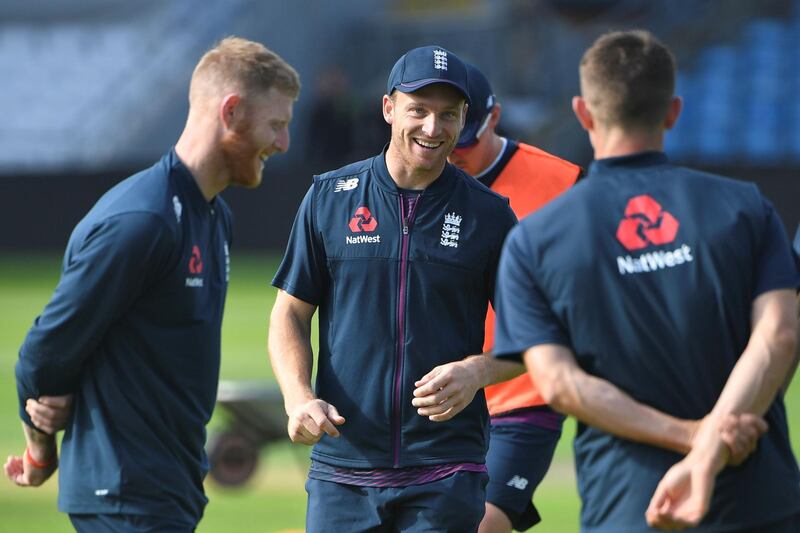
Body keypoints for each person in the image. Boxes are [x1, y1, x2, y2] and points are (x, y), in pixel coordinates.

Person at [490, 30, 799, 532]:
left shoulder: (534, 239)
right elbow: (781, 335)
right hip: (757, 503)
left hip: (629, 508)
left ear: (583, 113)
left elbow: (559, 384)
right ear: (673, 111)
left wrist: (692, 437)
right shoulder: (746, 207)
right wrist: (711, 444)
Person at [5, 37, 300, 532]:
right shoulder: (143, 220)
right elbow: (43, 353)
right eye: (276, 124)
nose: (284, 143)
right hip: (124, 493)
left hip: (169, 488)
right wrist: (38, 451)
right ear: (231, 112)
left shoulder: (213, 215)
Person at [268, 45, 517, 532]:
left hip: (445, 471)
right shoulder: (328, 198)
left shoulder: (490, 215)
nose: (432, 128)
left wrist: (477, 372)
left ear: (465, 118)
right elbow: (289, 313)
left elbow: (537, 338)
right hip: (343, 472)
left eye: (448, 115)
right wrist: (298, 397)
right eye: (418, 110)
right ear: (388, 108)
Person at [447, 63, 581, 532]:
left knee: (483, 525)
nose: (451, 152)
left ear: (494, 119)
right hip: (437, 398)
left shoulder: (563, 185)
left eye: (465, 139)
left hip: (524, 395)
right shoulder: (415, 180)